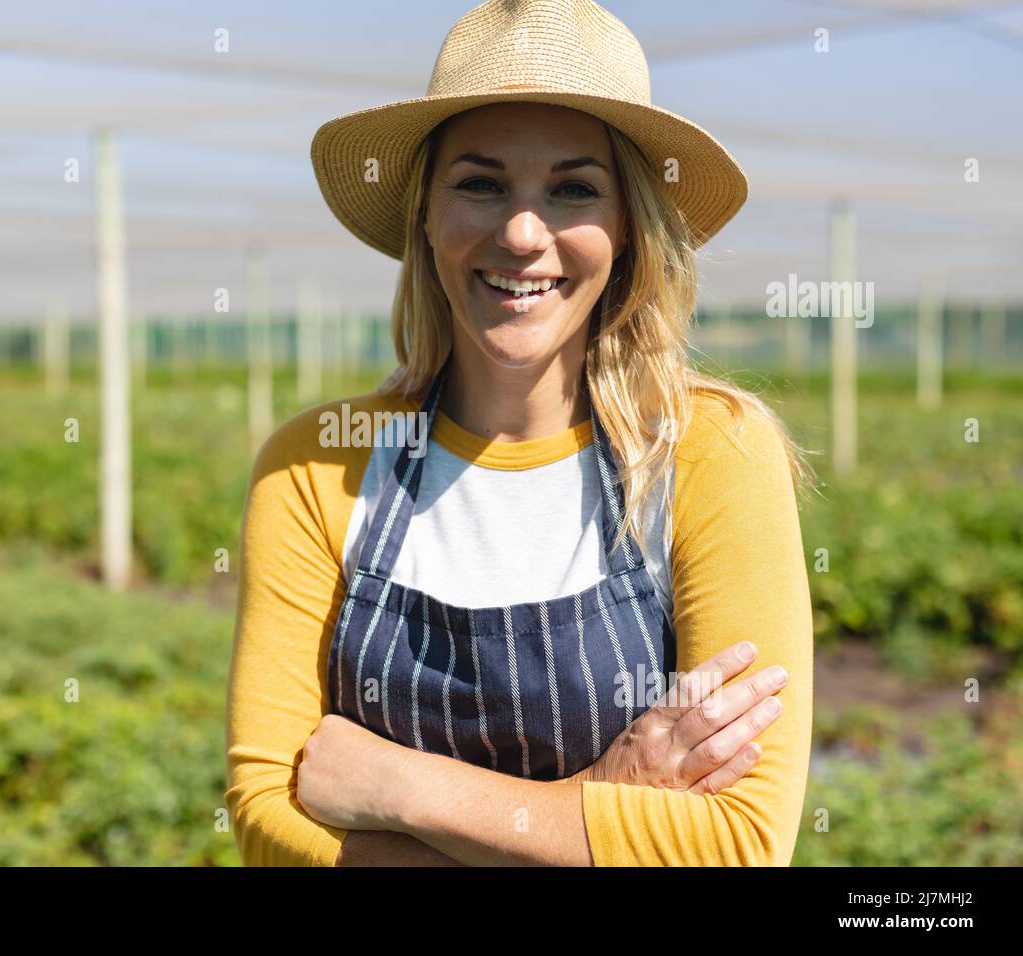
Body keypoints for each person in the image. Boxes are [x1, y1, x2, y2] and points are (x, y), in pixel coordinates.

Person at [225, 0, 817, 866]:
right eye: (480, 183)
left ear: (627, 230)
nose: (522, 233)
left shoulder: (709, 453)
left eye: (574, 189)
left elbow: (736, 844)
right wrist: (597, 809)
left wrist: (394, 786)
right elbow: (268, 821)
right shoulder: (320, 466)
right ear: (424, 217)